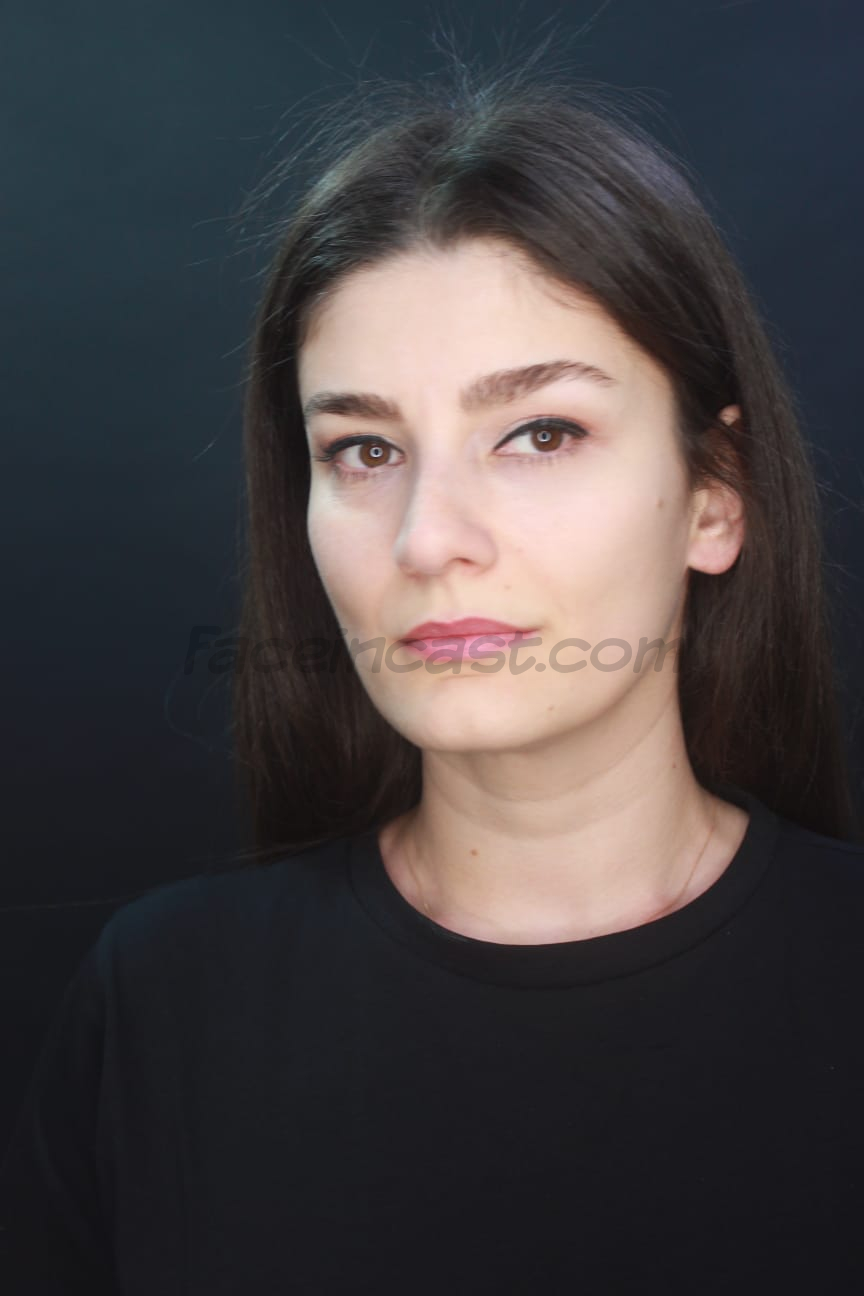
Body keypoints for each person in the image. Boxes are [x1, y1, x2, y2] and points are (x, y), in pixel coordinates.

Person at [2, 34, 863, 1295]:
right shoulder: (160, 1004)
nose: (427, 539)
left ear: (714, 497)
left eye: (540, 433)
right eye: (364, 451)